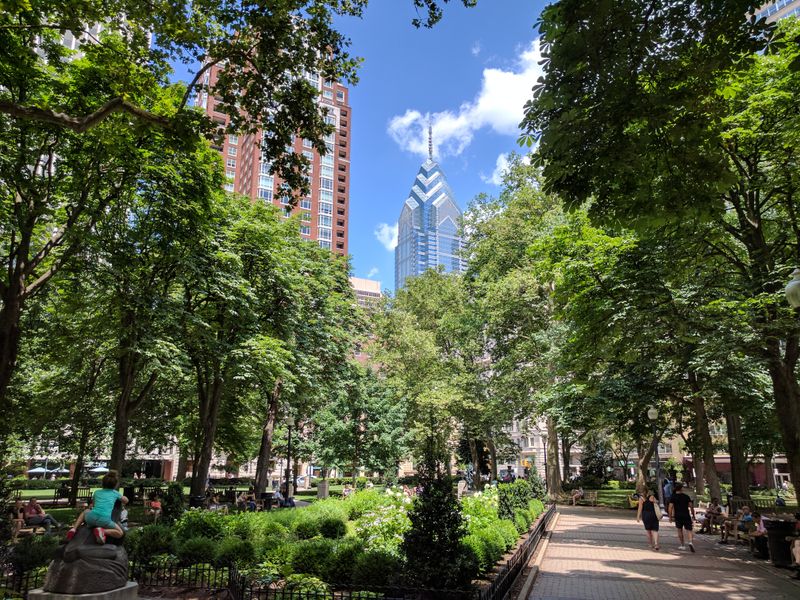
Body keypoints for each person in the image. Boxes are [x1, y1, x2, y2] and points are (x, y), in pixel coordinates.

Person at [67, 471, 128, 544]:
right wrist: (123, 497)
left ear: (103, 483)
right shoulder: (115, 493)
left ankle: (74, 528)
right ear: (115, 485)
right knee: (120, 533)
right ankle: (102, 531)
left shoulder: (97, 492)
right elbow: (126, 501)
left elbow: (93, 505)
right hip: (104, 521)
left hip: (91, 519)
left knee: (85, 512)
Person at [668, 482, 695, 552]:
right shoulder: (686, 496)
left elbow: (670, 507)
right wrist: (693, 515)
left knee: (679, 530)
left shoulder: (673, 497)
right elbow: (691, 506)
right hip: (686, 514)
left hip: (678, 515)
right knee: (689, 529)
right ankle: (690, 542)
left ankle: (682, 545)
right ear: (681, 489)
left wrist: (670, 517)